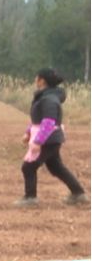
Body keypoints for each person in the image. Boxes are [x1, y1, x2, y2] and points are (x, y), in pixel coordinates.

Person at [15, 67, 89, 207]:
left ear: (42, 80)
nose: (35, 80)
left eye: (36, 77)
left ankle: (30, 198)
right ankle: (78, 194)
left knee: (29, 167)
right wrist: (28, 132)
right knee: (56, 167)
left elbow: (48, 122)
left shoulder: (49, 99)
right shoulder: (46, 97)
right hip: (51, 138)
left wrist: (37, 142)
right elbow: (38, 120)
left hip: (48, 139)